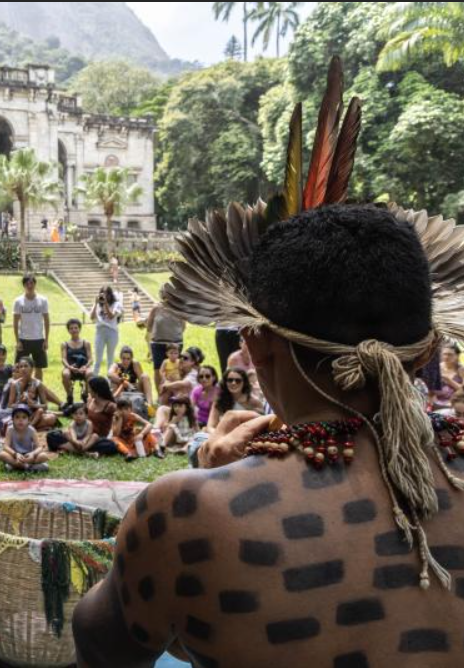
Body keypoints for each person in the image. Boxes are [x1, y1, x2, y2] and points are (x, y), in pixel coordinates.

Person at [72, 183, 464, 665]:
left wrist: (214, 484)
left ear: (254, 344)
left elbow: (101, 646)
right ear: (427, 351)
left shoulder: (186, 513)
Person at [5, 356, 60, 430]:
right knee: (8, 423)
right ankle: (34, 427)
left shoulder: (38, 384)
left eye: (26, 366)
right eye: (21, 367)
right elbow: (9, 405)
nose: (23, 369)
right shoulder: (14, 384)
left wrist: (33, 405)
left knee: (51, 418)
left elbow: (45, 406)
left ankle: (29, 426)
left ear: (32, 369)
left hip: (33, 414)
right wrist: (20, 402)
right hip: (19, 414)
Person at [13, 274, 51, 380]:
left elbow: (46, 320)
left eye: (31, 283)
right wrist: (17, 341)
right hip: (23, 339)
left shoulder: (43, 300)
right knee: (19, 367)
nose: (29, 286)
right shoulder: (18, 301)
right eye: (27, 284)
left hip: (39, 339)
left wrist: (46, 340)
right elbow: (15, 322)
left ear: (35, 284)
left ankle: (37, 388)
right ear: (24, 285)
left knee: (39, 367)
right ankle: (19, 387)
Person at [206, 366, 265, 430]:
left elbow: (262, 425)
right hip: (221, 434)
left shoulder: (254, 402)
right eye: (230, 380)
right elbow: (210, 426)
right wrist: (218, 434)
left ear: (244, 383)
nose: (233, 383)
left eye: (238, 380)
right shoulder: (219, 401)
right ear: (225, 382)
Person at [144, 302, 185, 392]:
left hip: (175, 343)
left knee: (176, 368)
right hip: (158, 343)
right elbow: (149, 326)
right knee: (158, 369)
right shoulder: (156, 308)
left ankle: (174, 393)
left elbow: (183, 326)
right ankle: (160, 394)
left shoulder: (179, 306)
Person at [0, 405, 49, 472]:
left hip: (28, 456)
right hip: (15, 455)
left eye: (24, 417)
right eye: (17, 417)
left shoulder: (31, 430)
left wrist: (32, 454)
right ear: (12, 420)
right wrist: (15, 454)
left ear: (29, 420)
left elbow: (39, 447)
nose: (20, 420)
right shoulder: (10, 430)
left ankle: (16, 466)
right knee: (1, 454)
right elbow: (5, 446)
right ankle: (26, 466)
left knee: (43, 456)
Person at [111, 397, 156, 461]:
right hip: (123, 442)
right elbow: (116, 434)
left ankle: (157, 449)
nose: (124, 412)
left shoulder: (133, 416)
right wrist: (120, 419)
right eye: (121, 409)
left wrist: (142, 434)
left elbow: (149, 425)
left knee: (148, 433)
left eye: (126, 409)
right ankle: (128, 453)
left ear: (131, 409)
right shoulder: (115, 418)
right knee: (114, 439)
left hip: (133, 441)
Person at [91, 286, 122, 377]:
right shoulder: (98, 304)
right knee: (98, 359)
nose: (104, 296)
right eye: (102, 293)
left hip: (112, 332)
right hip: (100, 332)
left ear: (110, 294)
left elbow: (111, 316)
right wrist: (95, 303)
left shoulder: (116, 304)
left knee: (110, 358)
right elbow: (92, 317)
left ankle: (110, 380)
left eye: (106, 293)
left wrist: (105, 304)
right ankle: (94, 379)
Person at [61, 319, 92, 406]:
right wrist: (69, 367)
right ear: (68, 330)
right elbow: (63, 359)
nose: (74, 330)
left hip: (83, 367)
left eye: (76, 328)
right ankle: (69, 395)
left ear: (79, 329)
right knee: (65, 374)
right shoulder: (64, 344)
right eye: (71, 328)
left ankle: (86, 393)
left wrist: (85, 367)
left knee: (90, 373)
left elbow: (90, 359)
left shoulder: (86, 343)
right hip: (70, 367)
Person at [434, 344, 464, 410]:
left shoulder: (461, 369)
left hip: (456, 402)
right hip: (436, 402)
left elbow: (463, 389)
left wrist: (449, 381)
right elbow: (430, 389)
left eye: (450, 354)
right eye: (444, 354)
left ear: (457, 356)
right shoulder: (436, 368)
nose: (446, 357)